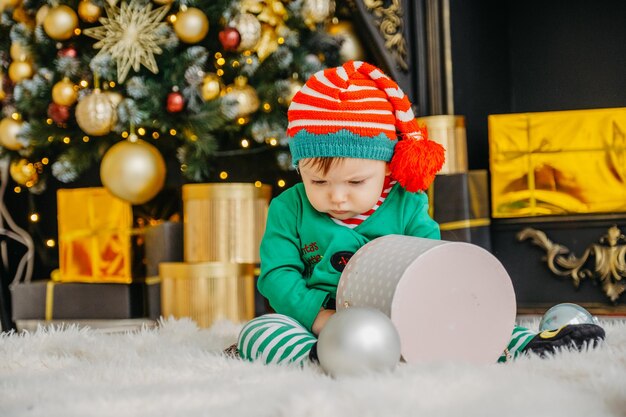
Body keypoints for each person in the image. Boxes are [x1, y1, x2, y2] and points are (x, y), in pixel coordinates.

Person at [232, 61, 605, 365]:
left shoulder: (408, 202)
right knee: (262, 330)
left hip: (405, 312)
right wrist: (318, 319)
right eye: (319, 183)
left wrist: (434, 306)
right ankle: (319, 357)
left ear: (389, 168)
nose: (337, 197)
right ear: (299, 170)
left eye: (356, 182)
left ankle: (526, 344)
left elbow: (431, 265)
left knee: (472, 320)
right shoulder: (288, 208)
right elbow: (278, 275)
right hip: (322, 321)